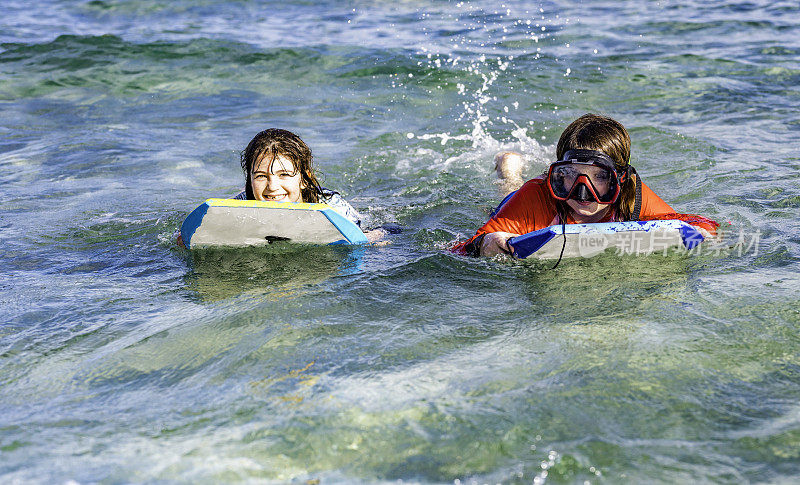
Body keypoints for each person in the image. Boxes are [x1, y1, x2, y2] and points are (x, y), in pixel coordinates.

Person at [454, 113, 718, 257]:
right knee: (511, 191)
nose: (582, 192)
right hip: (525, 203)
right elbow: (462, 248)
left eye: (599, 177)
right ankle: (508, 169)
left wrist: (700, 235)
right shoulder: (537, 194)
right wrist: (486, 244)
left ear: (620, 179)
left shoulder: (632, 195)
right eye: (570, 175)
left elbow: (700, 223)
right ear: (556, 174)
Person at [177, 128, 386, 247]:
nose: (272, 187)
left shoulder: (330, 205)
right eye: (260, 176)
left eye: (284, 174)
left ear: (304, 178)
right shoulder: (239, 205)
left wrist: (372, 240)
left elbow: (360, 235)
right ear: (249, 179)